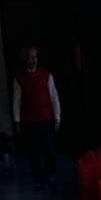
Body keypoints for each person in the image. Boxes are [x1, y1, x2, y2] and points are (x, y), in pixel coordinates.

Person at [12, 47, 61, 191]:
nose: (33, 60)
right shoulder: (20, 79)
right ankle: (38, 180)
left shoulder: (46, 75)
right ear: (25, 59)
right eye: (30, 57)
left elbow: (54, 97)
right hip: (29, 120)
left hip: (46, 118)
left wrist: (57, 117)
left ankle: (51, 176)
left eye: (35, 57)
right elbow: (17, 101)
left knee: (48, 149)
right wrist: (17, 120)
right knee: (34, 152)